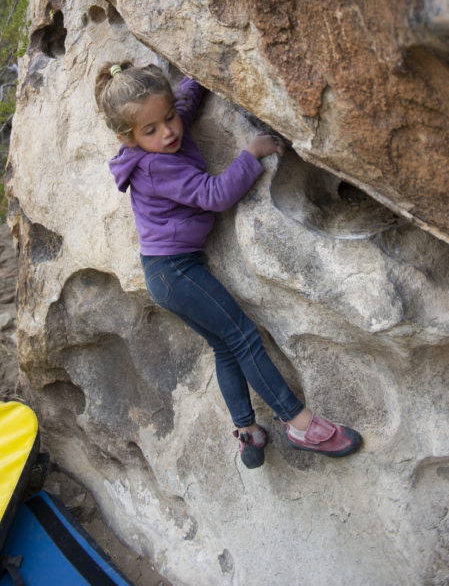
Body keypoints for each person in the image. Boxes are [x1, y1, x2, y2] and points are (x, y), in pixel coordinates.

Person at [96, 61, 362, 469]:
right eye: (150, 130)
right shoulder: (154, 166)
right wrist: (251, 154)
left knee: (224, 345)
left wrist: (198, 70)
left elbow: (187, 96)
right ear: (126, 138)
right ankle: (298, 423)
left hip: (168, 272)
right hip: (175, 272)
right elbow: (215, 194)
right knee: (243, 337)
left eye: (167, 118)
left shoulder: (166, 131)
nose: (167, 132)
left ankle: (248, 431)